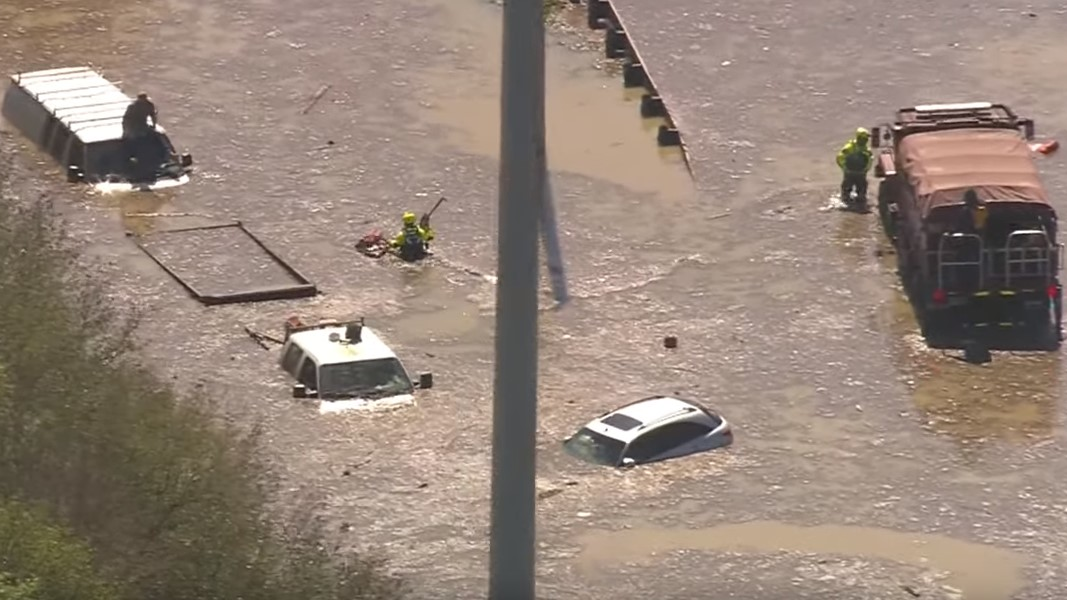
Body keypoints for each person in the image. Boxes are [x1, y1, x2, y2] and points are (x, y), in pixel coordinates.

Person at [836, 127, 873, 205]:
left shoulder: (866, 150)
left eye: (866, 139)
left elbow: (870, 160)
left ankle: (860, 201)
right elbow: (840, 157)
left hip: (861, 173)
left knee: (862, 190)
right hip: (849, 173)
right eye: (864, 138)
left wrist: (865, 169)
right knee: (846, 190)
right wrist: (845, 168)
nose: (865, 140)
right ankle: (846, 200)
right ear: (859, 138)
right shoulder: (849, 147)